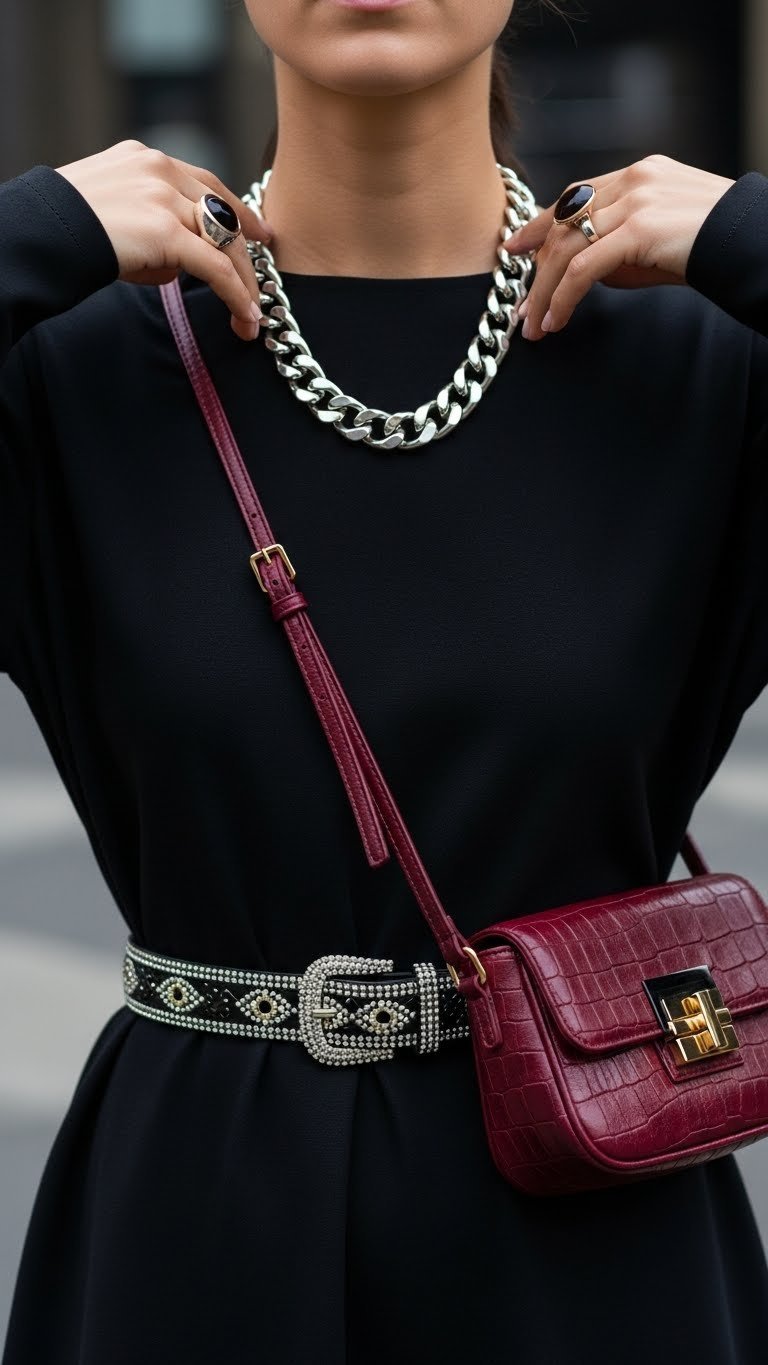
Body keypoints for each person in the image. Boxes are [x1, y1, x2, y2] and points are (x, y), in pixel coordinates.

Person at [1, 1, 768, 1361]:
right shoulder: (76, 379)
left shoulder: (698, 376)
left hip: (593, 1226)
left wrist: (753, 240)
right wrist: (27, 235)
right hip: (193, 1230)